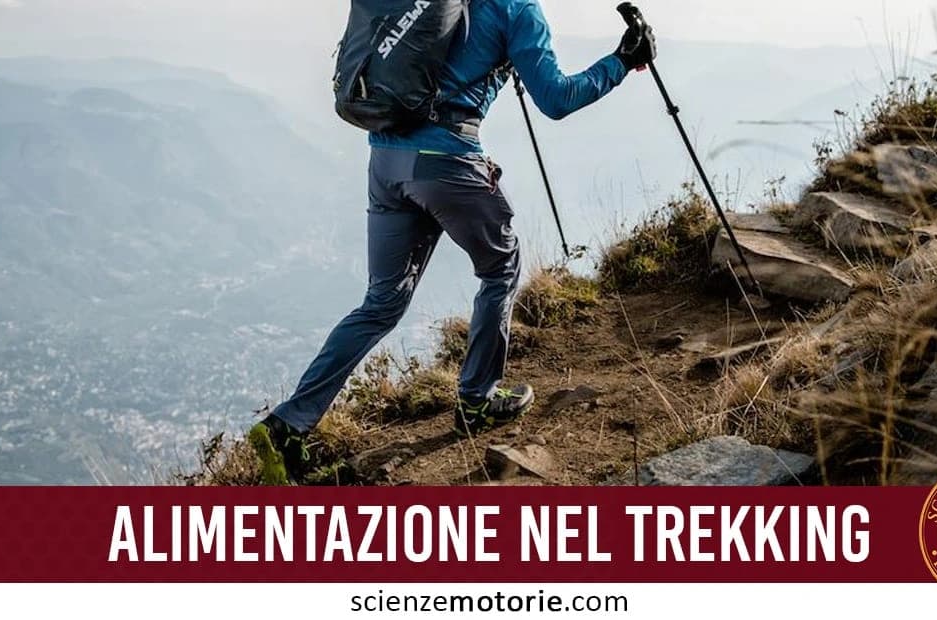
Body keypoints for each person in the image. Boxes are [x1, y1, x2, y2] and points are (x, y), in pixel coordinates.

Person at [249, 0, 656, 484]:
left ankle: (288, 425)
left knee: (380, 302)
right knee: (500, 268)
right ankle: (478, 399)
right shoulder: (517, 9)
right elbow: (557, 100)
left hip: (386, 161)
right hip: (446, 162)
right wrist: (622, 61)